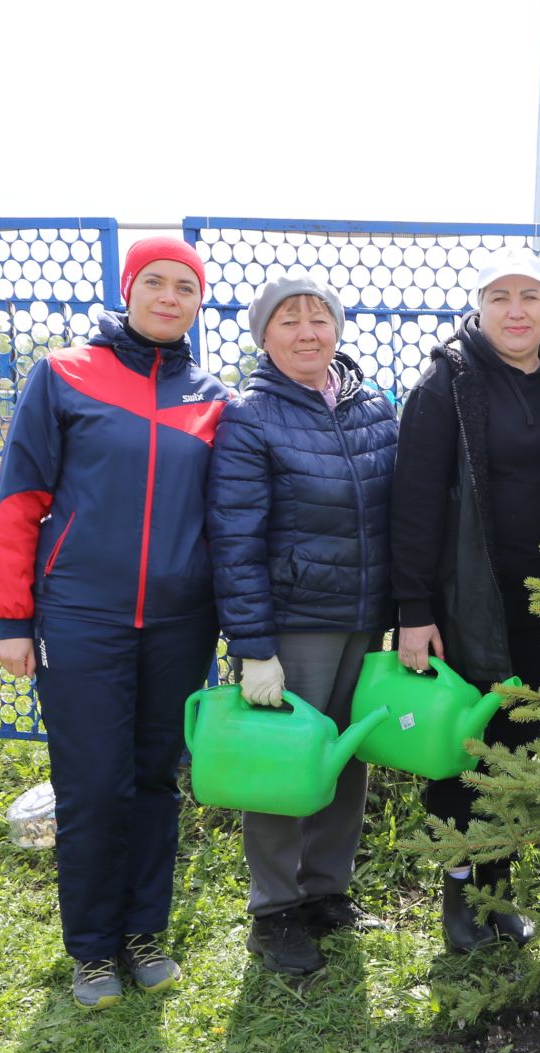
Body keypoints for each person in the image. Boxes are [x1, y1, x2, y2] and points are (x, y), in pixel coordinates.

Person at [0, 236, 230, 1009]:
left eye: (184, 286)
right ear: (128, 291)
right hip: (79, 617)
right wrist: (12, 618)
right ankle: (91, 950)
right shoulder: (63, 374)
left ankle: (144, 934)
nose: (168, 296)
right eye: (153, 282)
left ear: (198, 302)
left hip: (180, 623)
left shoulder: (211, 393)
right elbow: (20, 499)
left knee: (157, 779)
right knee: (93, 785)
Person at [206, 273, 399, 977]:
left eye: (320, 318)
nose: (308, 332)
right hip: (296, 622)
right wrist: (254, 647)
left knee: (345, 757)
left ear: (338, 329)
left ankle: (326, 891)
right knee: (282, 764)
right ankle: (274, 910)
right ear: (264, 336)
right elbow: (234, 538)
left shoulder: (372, 406)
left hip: (363, 617)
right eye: (289, 321)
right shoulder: (250, 416)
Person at [391, 246, 540, 952]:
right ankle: (458, 900)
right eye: (501, 297)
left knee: (517, 752)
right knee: (463, 755)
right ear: (479, 305)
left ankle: (500, 890)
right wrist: (412, 609)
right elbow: (413, 503)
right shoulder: (447, 382)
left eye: (530, 295)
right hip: (468, 603)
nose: (516, 310)